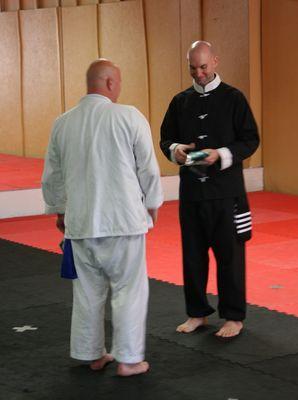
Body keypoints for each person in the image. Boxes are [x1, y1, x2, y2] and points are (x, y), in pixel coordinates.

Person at [42, 59, 163, 376]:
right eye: (118, 83)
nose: (119, 88)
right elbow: (147, 168)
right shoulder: (128, 116)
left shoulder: (63, 123)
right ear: (110, 83)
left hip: (80, 223)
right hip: (123, 221)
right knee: (128, 290)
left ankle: (92, 354)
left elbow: (52, 176)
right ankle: (129, 359)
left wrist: (59, 210)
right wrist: (152, 204)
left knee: (87, 293)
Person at [160, 41, 259, 338]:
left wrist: (222, 154)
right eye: (193, 68)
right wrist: (175, 150)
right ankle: (197, 313)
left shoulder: (234, 98)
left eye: (203, 67)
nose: (199, 74)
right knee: (192, 256)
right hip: (191, 194)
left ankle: (233, 316)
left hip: (227, 194)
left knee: (230, 256)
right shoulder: (180, 101)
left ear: (215, 61)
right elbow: (166, 139)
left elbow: (250, 139)